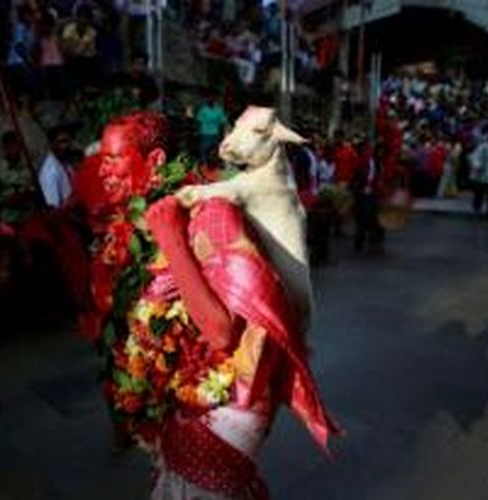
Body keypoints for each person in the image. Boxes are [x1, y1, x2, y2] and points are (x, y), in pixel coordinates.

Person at [78, 111, 338, 498]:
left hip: (231, 397)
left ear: (155, 162)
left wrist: (171, 238)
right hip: (184, 394)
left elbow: (220, 332)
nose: (103, 171)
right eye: (102, 160)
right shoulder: (135, 222)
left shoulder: (209, 209)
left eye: (113, 159)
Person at [0, 130, 39, 228]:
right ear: (4, 148)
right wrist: (7, 200)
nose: (14, 150)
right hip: (9, 220)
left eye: (17, 146)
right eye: (10, 147)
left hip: (30, 217)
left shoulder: (29, 166)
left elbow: (37, 189)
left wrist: (28, 192)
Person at [195, 94, 227, 164]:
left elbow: (222, 123)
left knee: (214, 151)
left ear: (214, 101)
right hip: (205, 134)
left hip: (215, 134)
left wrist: (222, 134)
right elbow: (198, 122)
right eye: (209, 99)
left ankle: (212, 164)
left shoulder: (219, 110)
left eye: (212, 99)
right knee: (204, 151)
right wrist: (198, 132)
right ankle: (204, 164)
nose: (211, 100)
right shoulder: (203, 110)